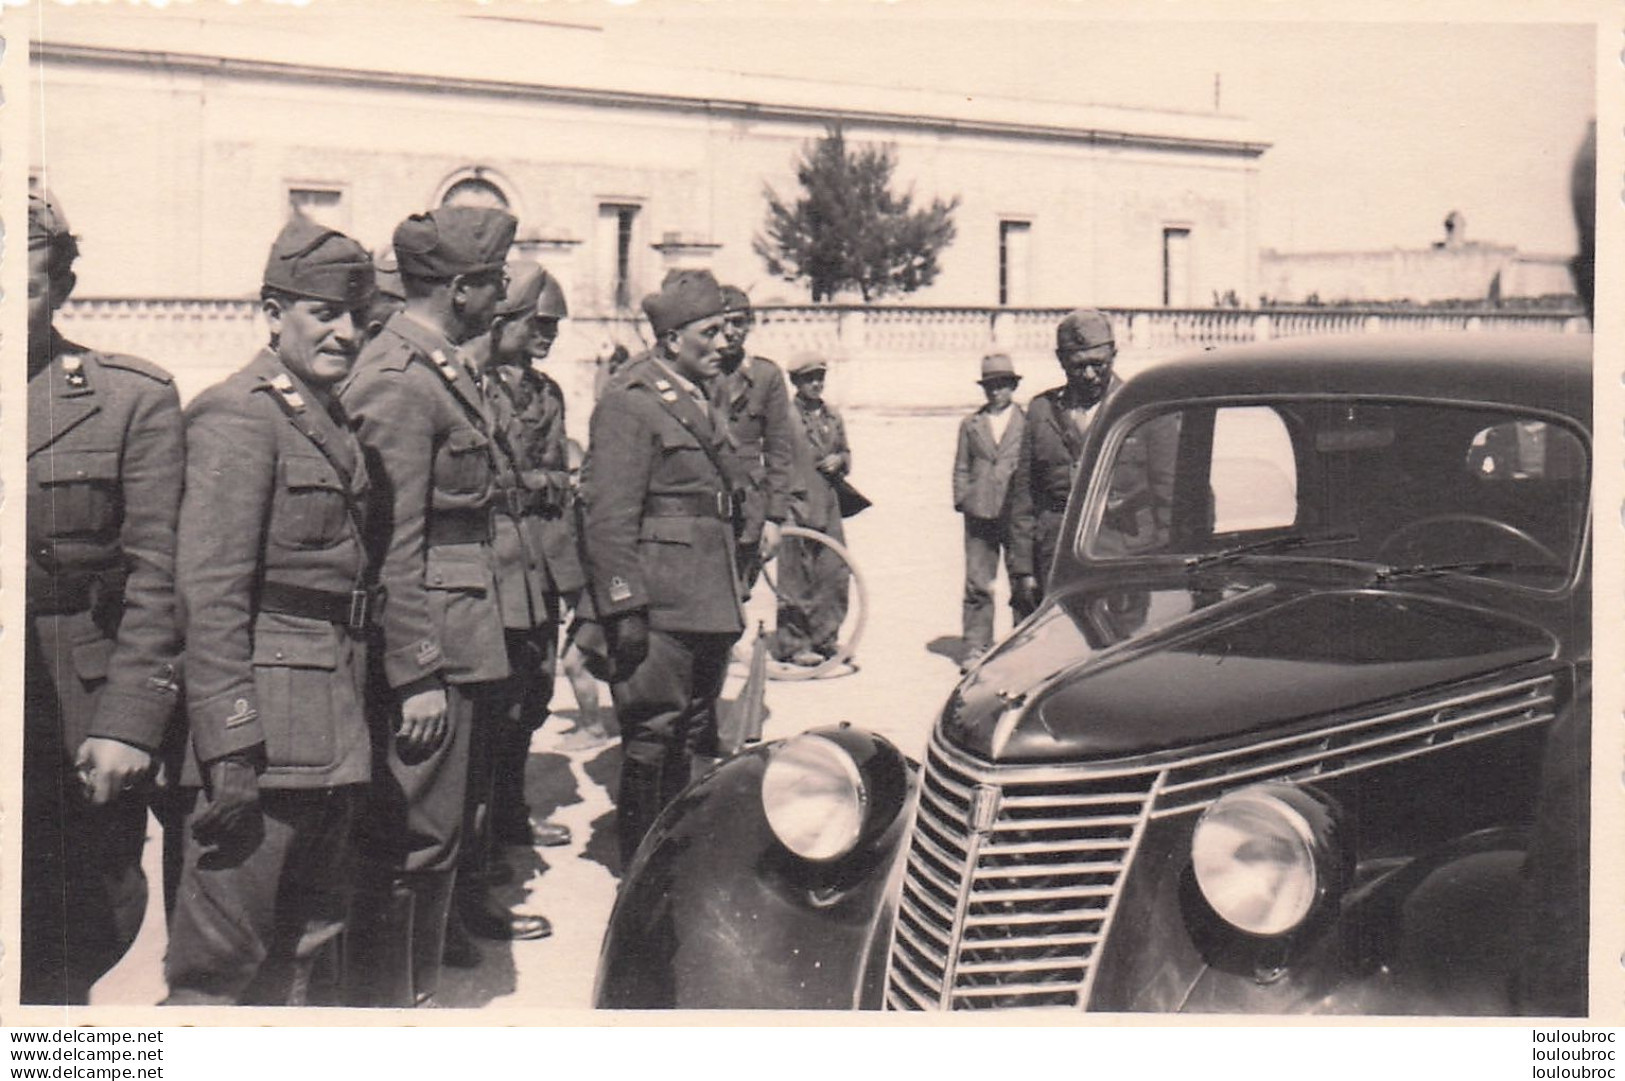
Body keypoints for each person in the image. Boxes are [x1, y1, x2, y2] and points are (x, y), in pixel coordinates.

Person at [163, 218, 377, 1005]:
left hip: (331, 722)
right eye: (324, 312)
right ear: (273, 309)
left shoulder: (328, 420)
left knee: (306, 944)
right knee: (220, 963)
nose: (345, 332)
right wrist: (229, 746)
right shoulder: (239, 414)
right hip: (263, 735)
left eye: (357, 315)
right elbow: (209, 593)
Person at [338, 205, 516, 1007]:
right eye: (496, 280)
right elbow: (389, 543)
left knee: (439, 835)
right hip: (432, 641)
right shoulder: (399, 379)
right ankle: (386, 1011)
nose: (504, 293)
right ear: (463, 288)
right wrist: (414, 673)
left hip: (461, 628)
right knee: (411, 836)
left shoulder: (439, 365)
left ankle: (410, 996)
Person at [23, 190, 185, 1005]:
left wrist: (128, 722)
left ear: (62, 285)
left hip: (71, 699)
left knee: (76, 923)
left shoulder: (128, 398)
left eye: (23, 284)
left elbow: (157, 576)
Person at [578, 268, 744, 867]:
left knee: (693, 734)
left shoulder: (703, 396)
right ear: (673, 339)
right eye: (713, 330)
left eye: (728, 328)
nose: (727, 341)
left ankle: (676, 858)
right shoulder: (630, 403)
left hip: (707, 597)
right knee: (652, 733)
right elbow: (608, 517)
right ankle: (641, 867)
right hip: (661, 603)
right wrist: (623, 608)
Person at [1008, 308, 1123, 618]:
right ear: (1061, 360)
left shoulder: (1135, 407)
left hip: (1121, 559)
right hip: (1056, 559)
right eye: (1077, 366)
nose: (1088, 375)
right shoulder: (1041, 411)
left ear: (1114, 353)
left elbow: (1167, 496)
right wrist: (1022, 570)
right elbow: (1024, 496)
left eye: (1097, 365)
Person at [713, 285, 796, 591]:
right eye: (723, 324)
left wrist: (775, 519)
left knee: (739, 593)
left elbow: (778, 451)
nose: (731, 332)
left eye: (738, 322)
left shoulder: (766, 377)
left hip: (748, 506)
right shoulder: (699, 373)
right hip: (704, 503)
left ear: (750, 324)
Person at [776, 353, 852, 667]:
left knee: (833, 573)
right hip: (797, 501)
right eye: (809, 379)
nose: (816, 384)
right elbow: (775, 459)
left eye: (820, 377)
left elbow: (845, 452)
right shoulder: (784, 417)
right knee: (796, 577)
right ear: (796, 382)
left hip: (829, 502)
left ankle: (826, 638)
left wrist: (841, 460)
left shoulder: (832, 416)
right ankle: (795, 644)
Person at [952, 353, 1026, 670]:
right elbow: (961, 466)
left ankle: (1023, 643)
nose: (996, 392)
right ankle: (976, 646)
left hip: (1016, 511)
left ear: (1012, 387)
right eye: (990, 386)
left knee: (1022, 578)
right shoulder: (971, 424)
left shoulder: (1026, 422)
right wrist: (963, 498)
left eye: (1002, 385)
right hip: (979, 510)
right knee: (978, 582)